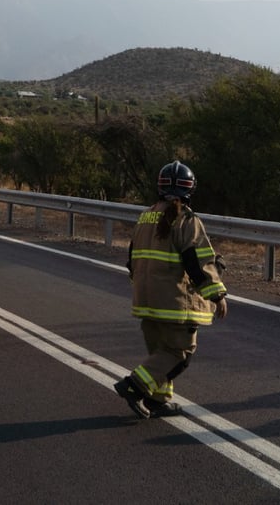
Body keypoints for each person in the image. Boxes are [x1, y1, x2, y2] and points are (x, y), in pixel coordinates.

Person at [113, 160, 228, 419]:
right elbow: (196, 263)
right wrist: (217, 294)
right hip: (174, 303)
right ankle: (133, 386)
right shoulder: (187, 219)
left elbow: (133, 260)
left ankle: (157, 400)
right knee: (178, 354)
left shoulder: (145, 216)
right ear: (190, 188)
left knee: (159, 354)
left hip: (145, 300)